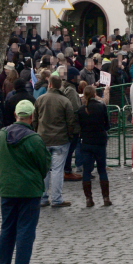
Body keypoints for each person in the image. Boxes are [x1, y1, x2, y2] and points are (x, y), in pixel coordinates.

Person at [0, 100, 49, 264]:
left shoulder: (2, 135)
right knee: (26, 230)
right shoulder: (34, 139)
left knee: (7, 228)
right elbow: (44, 165)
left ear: (16, 115)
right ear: (32, 117)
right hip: (29, 190)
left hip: (8, 189)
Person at [31, 75, 76, 208]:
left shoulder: (40, 99)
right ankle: (56, 199)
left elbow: (34, 120)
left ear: (49, 85)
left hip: (43, 138)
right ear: (59, 86)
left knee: (44, 170)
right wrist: (69, 136)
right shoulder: (65, 101)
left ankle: (43, 198)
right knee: (57, 170)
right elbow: (70, 121)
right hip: (60, 139)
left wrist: (37, 132)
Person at [76, 86, 112, 207]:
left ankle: (88, 199)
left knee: (86, 170)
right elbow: (107, 125)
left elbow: (77, 127)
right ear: (94, 94)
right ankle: (106, 198)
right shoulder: (101, 107)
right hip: (100, 141)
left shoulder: (80, 110)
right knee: (102, 169)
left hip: (86, 142)